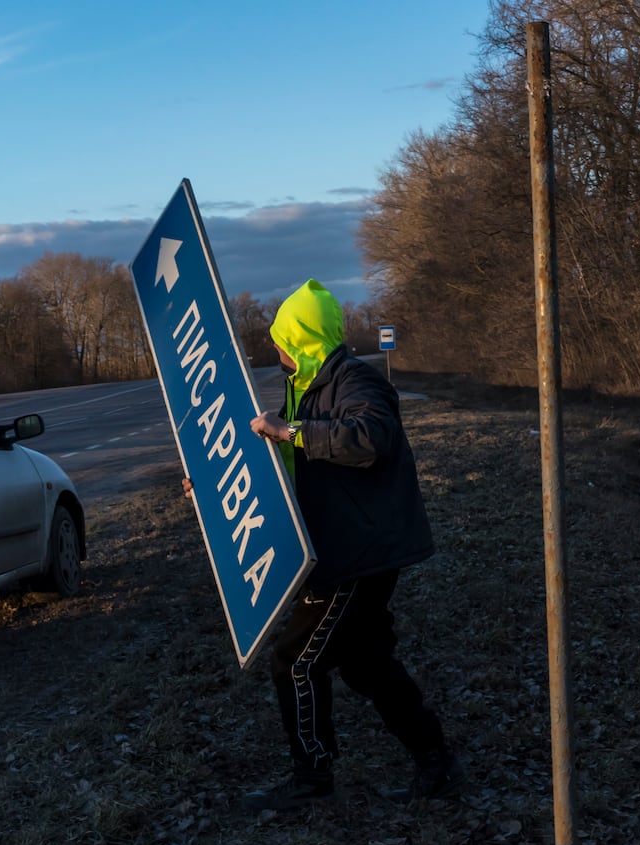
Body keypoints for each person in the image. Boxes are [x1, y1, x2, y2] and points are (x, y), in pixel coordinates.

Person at [182, 278, 462, 811]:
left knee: (295, 661)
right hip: (343, 546)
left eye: (283, 338)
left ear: (304, 336)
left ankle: (312, 780)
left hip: (357, 552)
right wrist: (216, 483)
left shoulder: (355, 380)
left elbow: (368, 439)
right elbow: (287, 468)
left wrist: (291, 432)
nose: (277, 349)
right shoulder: (308, 390)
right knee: (367, 663)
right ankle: (438, 762)